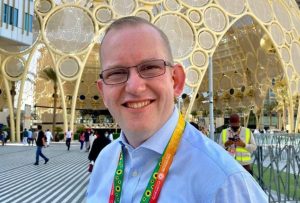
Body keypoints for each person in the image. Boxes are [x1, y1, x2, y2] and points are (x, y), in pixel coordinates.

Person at [86, 16, 267, 202]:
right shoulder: (104, 162)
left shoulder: (226, 184)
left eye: (149, 67)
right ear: (103, 92)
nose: (134, 86)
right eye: (116, 73)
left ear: (176, 81)